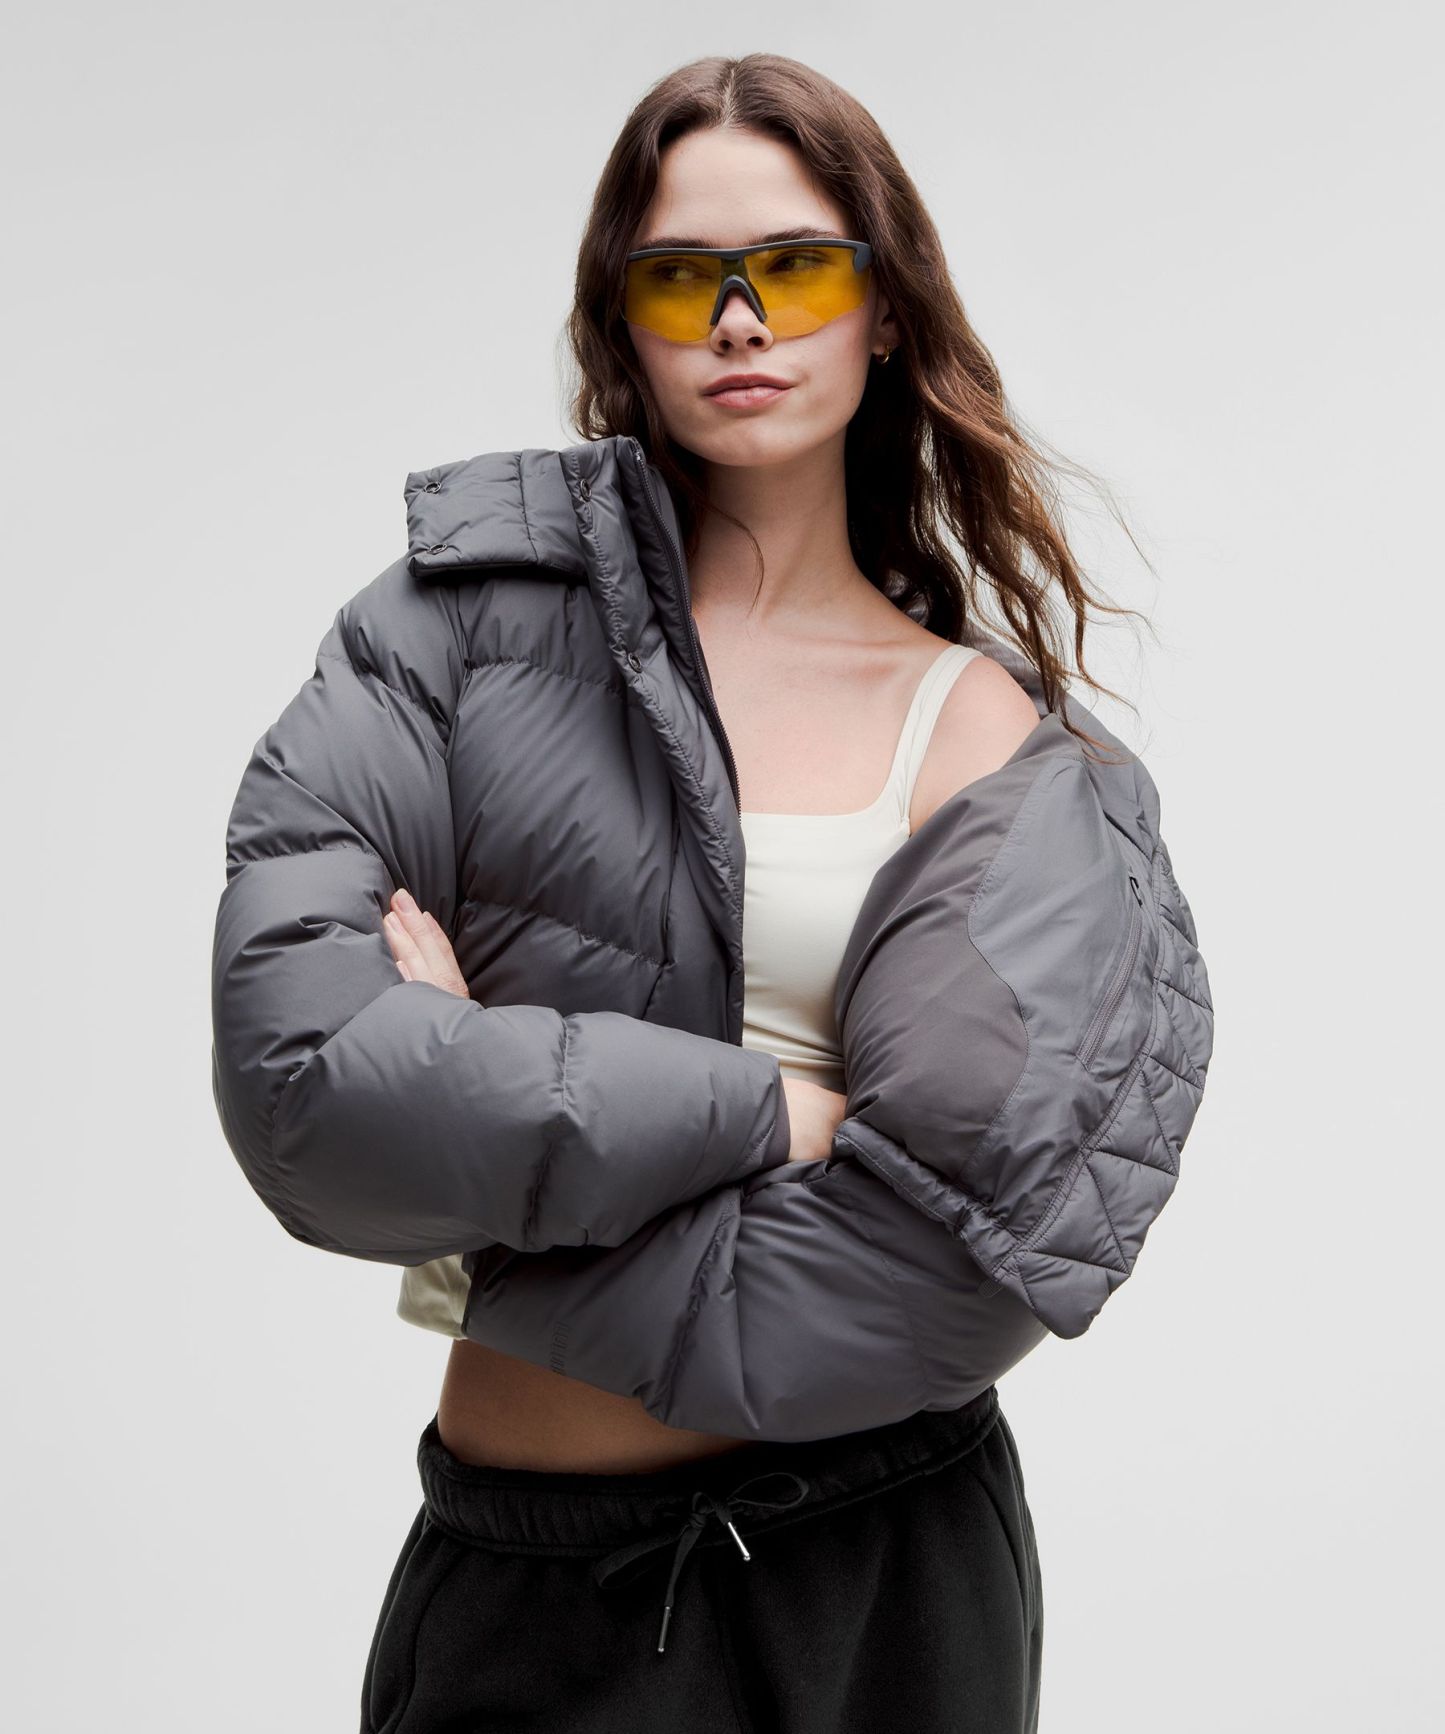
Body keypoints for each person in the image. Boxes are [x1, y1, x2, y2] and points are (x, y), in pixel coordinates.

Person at [211, 51, 1215, 1734]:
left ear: (883, 307)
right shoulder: (447, 628)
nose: (740, 318)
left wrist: (495, 1123)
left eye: (796, 266)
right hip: (517, 1583)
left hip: (872, 1581)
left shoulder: (983, 736)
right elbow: (309, 1089)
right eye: (683, 277)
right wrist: (778, 1112)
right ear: (626, 322)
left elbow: (957, 1261)